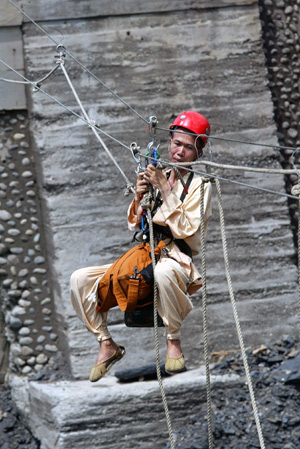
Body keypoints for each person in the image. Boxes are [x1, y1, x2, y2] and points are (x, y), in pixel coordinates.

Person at [70, 111, 212, 382]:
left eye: (188, 147)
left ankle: (174, 339)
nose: (180, 151)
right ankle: (106, 343)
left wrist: (165, 190)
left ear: (198, 151)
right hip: (147, 252)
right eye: (176, 143)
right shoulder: (160, 174)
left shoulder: (200, 186)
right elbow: (136, 225)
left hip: (176, 259)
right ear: (169, 142)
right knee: (80, 280)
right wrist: (140, 197)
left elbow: (187, 231)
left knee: (163, 272)